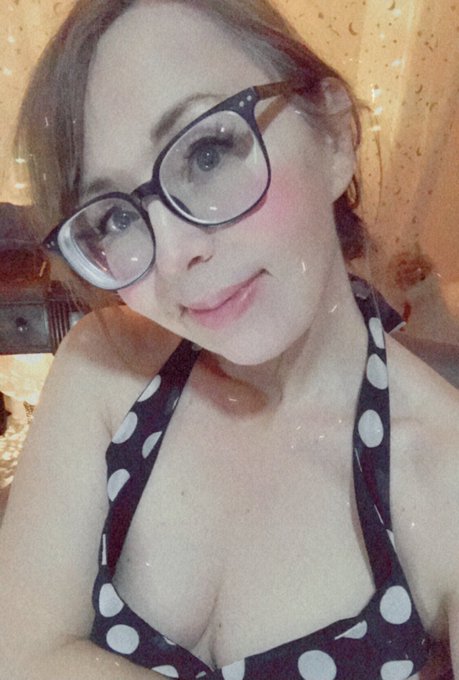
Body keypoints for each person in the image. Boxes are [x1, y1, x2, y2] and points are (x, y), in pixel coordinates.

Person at [0, 1, 458, 678]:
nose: (173, 254)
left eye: (206, 153)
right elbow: (21, 652)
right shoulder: (107, 367)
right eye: (117, 216)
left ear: (334, 134)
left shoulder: (443, 478)